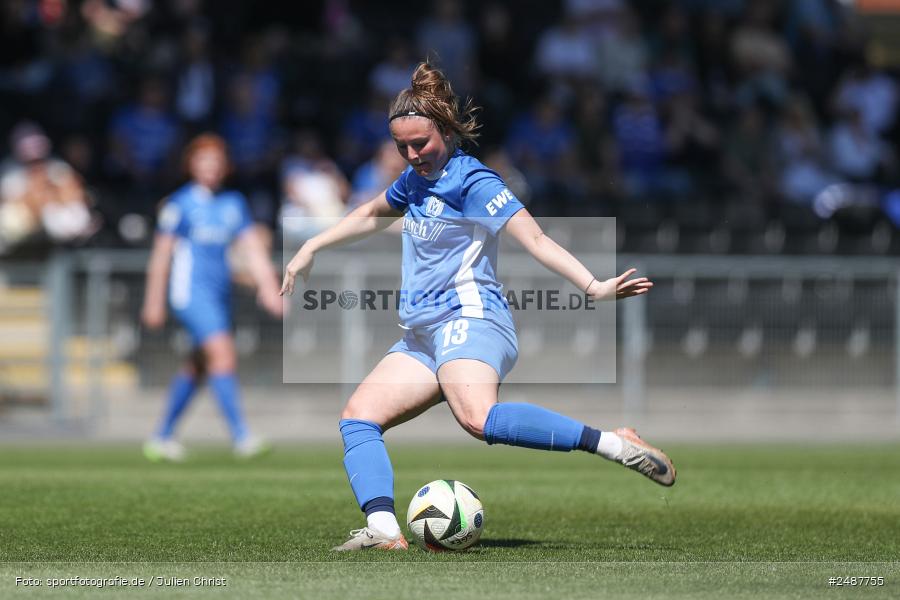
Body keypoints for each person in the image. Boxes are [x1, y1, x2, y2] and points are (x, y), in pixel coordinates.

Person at [281, 63, 675, 551]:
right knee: (358, 417)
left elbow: (535, 237)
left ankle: (614, 443)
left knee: (477, 418)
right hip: (424, 335)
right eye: (402, 147)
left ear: (446, 132)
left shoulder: (473, 181)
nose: (412, 155)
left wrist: (592, 286)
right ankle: (383, 529)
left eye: (421, 143)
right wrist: (311, 246)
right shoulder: (415, 179)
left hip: (471, 318)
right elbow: (369, 213)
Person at [141, 134, 283, 461]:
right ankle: (242, 437)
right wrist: (153, 301)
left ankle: (161, 437)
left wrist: (269, 287)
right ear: (191, 165)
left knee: (198, 365)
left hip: (219, 295)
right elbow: (161, 256)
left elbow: (252, 250)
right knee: (223, 354)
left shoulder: (233, 203)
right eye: (204, 161)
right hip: (190, 294)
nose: (211, 168)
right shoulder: (179, 204)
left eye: (217, 162)